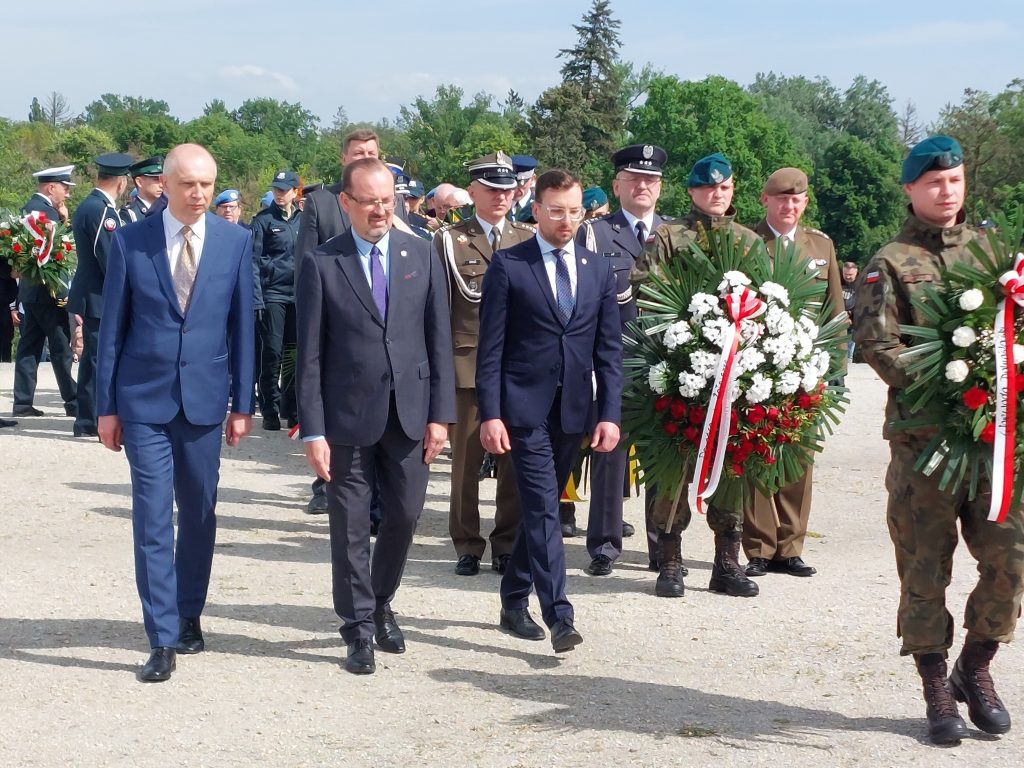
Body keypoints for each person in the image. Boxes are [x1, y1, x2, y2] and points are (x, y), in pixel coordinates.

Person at [854, 135, 1022, 745]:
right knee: (925, 568)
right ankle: (934, 686)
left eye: (953, 181)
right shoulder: (891, 261)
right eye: (933, 183)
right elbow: (877, 346)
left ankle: (975, 668)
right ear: (910, 190)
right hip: (924, 446)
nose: (945, 191)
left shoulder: (993, 252)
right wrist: (950, 380)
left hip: (992, 445)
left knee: (1012, 557)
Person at [96, 143, 256, 683]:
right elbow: (111, 330)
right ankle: (160, 636)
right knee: (151, 516)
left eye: (208, 184)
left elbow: (242, 329)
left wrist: (243, 403)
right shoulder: (131, 242)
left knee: (200, 512)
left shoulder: (235, 241)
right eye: (189, 184)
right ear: (165, 184)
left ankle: (190, 612)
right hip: (144, 400)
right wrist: (106, 408)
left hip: (206, 400)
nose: (199, 194)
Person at [295, 157, 455, 675]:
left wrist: (440, 416)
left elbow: (438, 337)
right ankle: (358, 627)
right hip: (346, 418)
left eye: (389, 200)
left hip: (409, 414)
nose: (381, 210)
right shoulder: (323, 262)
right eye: (369, 202)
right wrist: (313, 430)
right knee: (350, 524)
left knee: (406, 515)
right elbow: (310, 356)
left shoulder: (421, 252)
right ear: (347, 204)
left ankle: (381, 598)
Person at [477, 169, 622, 653]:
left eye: (574, 211)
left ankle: (512, 599)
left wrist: (610, 414)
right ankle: (559, 614)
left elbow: (608, 352)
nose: (566, 220)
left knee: (539, 509)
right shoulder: (509, 265)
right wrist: (490, 413)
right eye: (556, 210)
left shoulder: (598, 270)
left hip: (575, 411)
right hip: (522, 408)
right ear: (535, 210)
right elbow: (490, 349)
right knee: (543, 507)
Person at [631, 151, 761, 599]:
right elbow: (644, 290)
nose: (717, 195)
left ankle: (727, 561)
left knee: (733, 464)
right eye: (708, 188)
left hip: (735, 376)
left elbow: (768, 298)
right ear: (691, 192)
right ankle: (669, 560)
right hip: (680, 370)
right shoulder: (670, 237)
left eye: (724, 188)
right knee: (671, 467)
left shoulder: (750, 241)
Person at [435, 151, 536, 577]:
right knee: (465, 463)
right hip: (467, 366)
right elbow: (439, 312)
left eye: (506, 189)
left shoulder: (528, 238)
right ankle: (467, 543)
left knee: (513, 463)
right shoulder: (449, 240)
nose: (500, 196)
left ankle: (507, 543)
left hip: (516, 369)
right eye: (491, 189)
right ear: (471, 191)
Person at [742, 167, 846, 580]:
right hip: (757, 366)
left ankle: (790, 547)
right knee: (755, 455)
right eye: (781, 198)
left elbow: (834, 311)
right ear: (765, 200)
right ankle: (758, 547)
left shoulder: (820, 246)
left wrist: (834, 367)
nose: (789, 205)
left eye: (796, 199)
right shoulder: (747, 243)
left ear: (805, 202)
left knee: (799, 458)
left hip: (807, 367)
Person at [576, 143, 674, 577]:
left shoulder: (675, 235)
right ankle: (603, 544)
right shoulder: (595, 233)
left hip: (667, 367)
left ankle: (660, 545)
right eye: (634, 179)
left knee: (663, 457)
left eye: (650, 180)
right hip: (614, 361)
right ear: (617, 186)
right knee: (608, 454)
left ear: (660, 188)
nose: (642, 186)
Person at [293, 129, 396, 516]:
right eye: (357, 152)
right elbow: (306, 262)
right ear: (343, 158)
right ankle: (326, 484)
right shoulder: (321, 202)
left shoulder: (390, 201)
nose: (363, 156)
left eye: (370, 152)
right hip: (337, 317)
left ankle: (378, 497)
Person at [68, 152, 134, 438]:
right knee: (96, 359)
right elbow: (110, 260)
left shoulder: (89, 205)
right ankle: (89, 420)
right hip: (97, 295)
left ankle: (87, 418)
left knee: (94, 358)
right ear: (121, 183)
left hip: (91, 292)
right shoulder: (102, 211)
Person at [12, 165, 77, 418]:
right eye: (65, 188)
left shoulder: (29, 207)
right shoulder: (45, 211)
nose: (67, 194)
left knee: (29, 347)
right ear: (51, 188)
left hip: (31, 292)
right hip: (49, 293)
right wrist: (62, 293)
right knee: (61, 349)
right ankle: (73, 401)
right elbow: (56, 256)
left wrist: (63, 218)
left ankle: (22, 402)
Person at [252, 170, 302, 431]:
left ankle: (291, 408)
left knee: (293, 355)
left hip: (297, 296)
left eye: (284, 190)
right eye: (276, 190)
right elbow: (253, 262)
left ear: (295, 192)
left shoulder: (304, 220)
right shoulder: (263, 221)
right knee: (271, 352)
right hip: (272, 295)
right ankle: (269, 407)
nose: (279, 194)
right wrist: (257, 300)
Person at [120, 156, 167, 223]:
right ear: (139, 182)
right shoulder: (129, 214)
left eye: (163, 180)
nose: (162, 185)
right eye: (156, 179)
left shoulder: (167, 210)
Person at [509, 155, 538, 223]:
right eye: (512, 184)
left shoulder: (540, 209)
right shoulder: (498, 204)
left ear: (532, 179)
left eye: (520, 184)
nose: (515, 189)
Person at [841, 261, 859, 361]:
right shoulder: (838, 281)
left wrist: (851, 317)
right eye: (845, 274)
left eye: (850, 275)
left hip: (853, 321)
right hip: (838, 319)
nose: (847, 277)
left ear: (856, 273)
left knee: (848, 351)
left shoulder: (861, 284)